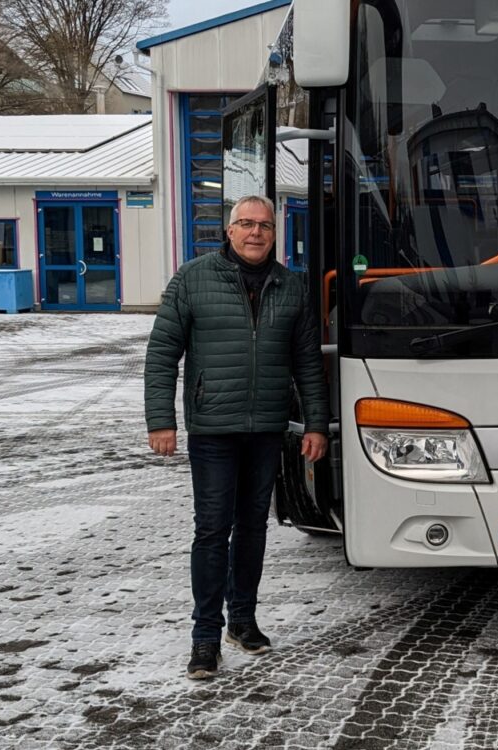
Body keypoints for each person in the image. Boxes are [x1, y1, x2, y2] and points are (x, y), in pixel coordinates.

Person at [144, 195, 329, 680]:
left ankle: (242, 620)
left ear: (274, 233)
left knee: (253, 528)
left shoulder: (292, 287)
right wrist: (161, 420)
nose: (255, 233)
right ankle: (205, 636)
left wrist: (315, 424)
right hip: (213, 429)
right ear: (229, 231)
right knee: (211, 530)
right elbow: (163, 352)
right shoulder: (193, 278)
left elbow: (308, 362)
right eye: (245, 224)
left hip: (266, 429)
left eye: (264, 226)